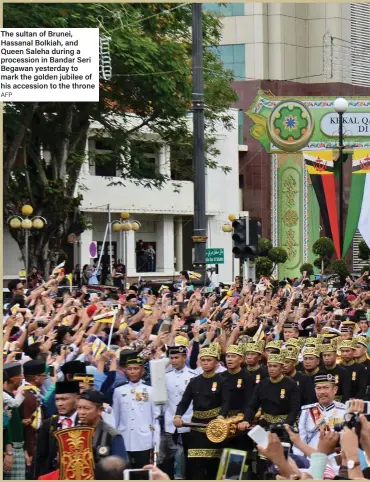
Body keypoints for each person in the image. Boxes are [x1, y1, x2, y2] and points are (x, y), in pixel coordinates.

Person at [174, 343, 230, 480]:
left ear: (216, 362)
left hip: (214, 427)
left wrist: (221, 417)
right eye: (203, 360)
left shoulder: (222, 381)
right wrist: (178, 415)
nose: (205, 363)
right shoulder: (194, 381)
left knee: (212, 465)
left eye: (209, 360)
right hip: (196, 427)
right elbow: (184, 402)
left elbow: (226, 402)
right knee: (194, 465)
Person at [112, 354, 160, 469]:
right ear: (125, 370)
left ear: (142, 370)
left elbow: (155, 418)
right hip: (125, 437)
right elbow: (115, 418)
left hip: (144, 439)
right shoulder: (119, 391)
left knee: (143, 472)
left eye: (136, 368)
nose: (132, 372)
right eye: (130, 369)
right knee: (124, 471)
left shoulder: (151, 390)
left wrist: (156, 440)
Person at [159, 345, 197, 480]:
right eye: (172, 358)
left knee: (187, 458)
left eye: (177, 357)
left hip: (187, 422)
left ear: (184, 357)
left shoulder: (194, 376)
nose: (174, 361)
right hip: (170, 423)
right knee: (168, 459)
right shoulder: (166, 376)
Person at [239, 353, 300, 430]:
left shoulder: (291, 384)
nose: (271, 369)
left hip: (284, 424)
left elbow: (294, 409)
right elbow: (252, 405)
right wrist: (246, 420)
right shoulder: (262, 383)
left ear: (281, 368)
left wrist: (287, 424)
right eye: (270, 366)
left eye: (275, 366)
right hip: (265, 422)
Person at [34, 381, 80, 478]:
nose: (59, 404)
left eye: (64, 399)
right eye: (57, 400)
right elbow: (40, 457)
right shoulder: (49, 423)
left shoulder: (84, 423)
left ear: (77, 399)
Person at [293, 373, 346, 456]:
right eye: (318, 388)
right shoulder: (307, 411)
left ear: (335, 389)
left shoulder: (345, 411)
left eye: (326, 388)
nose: (322, 392)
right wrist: (300, 463)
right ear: (315, 390)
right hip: (312, 460)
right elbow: (301, 440)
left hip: (336, 462)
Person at [77, 389, 128, 463]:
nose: (81, 412)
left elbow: (120, 467)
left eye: (86, 408)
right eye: (79, 408)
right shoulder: (73, 433)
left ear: (100, 410)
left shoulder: (112, 435)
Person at [21, 360, 47, 478]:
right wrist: (30, 451)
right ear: (36, 378)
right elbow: (29, 426)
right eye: (43, 375)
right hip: (29, 448)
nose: (45, 378)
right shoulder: (28, 396)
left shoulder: (30, 393)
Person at [3, 362, 26, 480]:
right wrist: (9, 452)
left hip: (16, 449)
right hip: (11, 450)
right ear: (13, 379)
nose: (22, 379)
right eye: (20, 376)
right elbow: (7, 429)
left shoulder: (10, 396)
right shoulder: (6, 399)